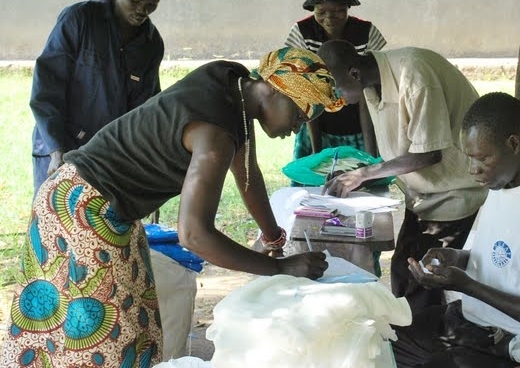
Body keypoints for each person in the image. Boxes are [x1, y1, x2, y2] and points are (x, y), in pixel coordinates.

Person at [0, 47, 342, 367]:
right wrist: (280, 268)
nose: (296, 127)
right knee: (108, 339)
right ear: (276, 90)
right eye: (299, 115)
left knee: (137, 325)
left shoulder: (231, 81)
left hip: (91, 202)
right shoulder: (215, 134)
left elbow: (247, 172)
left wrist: (272, 237)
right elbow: (194, 235)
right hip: (82, 211)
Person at [391, 92, 520, 368]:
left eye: (482, 158)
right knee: (376, 342)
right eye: (469, 158)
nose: (473, 170)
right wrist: (456, 257)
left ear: (514, 144)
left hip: (519, 342)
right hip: (470, 325)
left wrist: (466, 285)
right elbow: (498, 257)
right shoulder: (504, 180)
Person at [317, 39, 487, 311]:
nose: (334, 98)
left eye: (335, 88)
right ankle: (411, 333)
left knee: (425, 283)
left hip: (453, 194)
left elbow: (428, 155)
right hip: (422, 193)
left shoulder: (414, 75)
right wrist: (360, 174)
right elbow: (397, 149)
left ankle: (425, 335)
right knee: (401, 270)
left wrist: (364, 174)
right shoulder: (370, 81)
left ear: (354, 74)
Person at [30, 0, 165, 196]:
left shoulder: (151, 44)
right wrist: (56, 150)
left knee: (98, 221)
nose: (141, 11)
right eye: (135, 0)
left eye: (151, 5)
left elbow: (144, 111)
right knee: (53, 217)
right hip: (58, 148)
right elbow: (47, 87)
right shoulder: (79, 20)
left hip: (107, 158)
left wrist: (145, 165)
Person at [285, 0, 386, 165]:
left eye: (339, 10)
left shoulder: (366, 32)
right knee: (315, 172)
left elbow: (369, 92)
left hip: (360, 122)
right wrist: (316, 153)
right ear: (312, 9)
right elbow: (307, 92)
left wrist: (370, 156)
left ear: (349, 6)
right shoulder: (302, 32)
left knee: (361, 172)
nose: (329, 18)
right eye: (321, 11)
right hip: (315, 119)